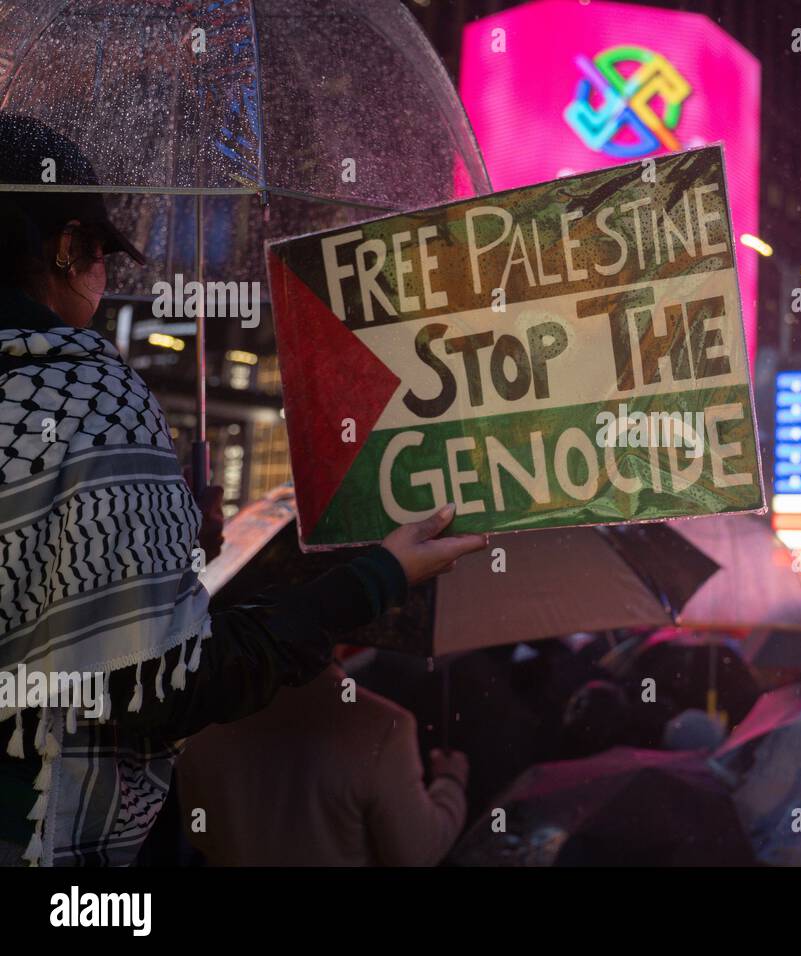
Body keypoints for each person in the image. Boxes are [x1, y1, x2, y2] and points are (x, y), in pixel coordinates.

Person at [0, 113, 487, 866]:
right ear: (68, 248)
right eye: (100, 256)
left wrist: (165, 550)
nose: (103, 280)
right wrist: (375, 577)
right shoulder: (86, 394)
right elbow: (161, 689)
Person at [177, 657, 470, 866]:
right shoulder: (382, 726)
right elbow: (416, 852)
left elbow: (200, 835)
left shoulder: (200, 711)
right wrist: (450, 782)